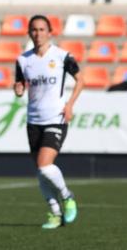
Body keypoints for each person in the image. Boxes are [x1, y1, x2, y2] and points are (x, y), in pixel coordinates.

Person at [14, 15, 84, 229]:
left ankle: (67, 196)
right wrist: (18, 89)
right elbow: (19, 85)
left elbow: (81, 79)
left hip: (55, 118)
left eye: (42, 29)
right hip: (33, 120)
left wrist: (70, 104)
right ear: (29, 33)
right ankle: (54, 213)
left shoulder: (63, 57)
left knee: (45, 166)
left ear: (50, 32)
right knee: (40, 171)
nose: (38, 33)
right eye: (34, 30)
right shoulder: (23, 60)